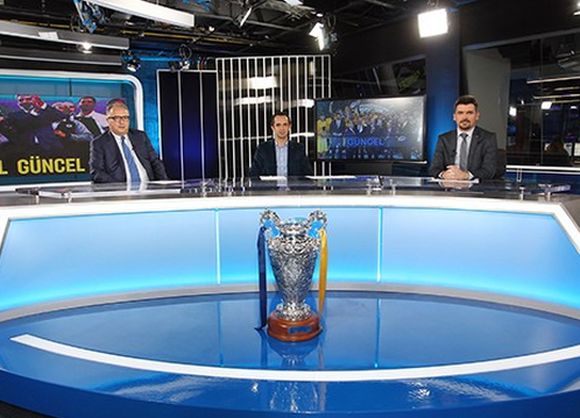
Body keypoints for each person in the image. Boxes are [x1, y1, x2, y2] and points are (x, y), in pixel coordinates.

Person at [90, 100, 168, 183]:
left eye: (125, 117)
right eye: (117, 118)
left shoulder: (140, 137)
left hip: (148, 186)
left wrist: (164, 184)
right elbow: (96, 172)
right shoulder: (99, 143)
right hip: (120, 188)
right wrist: (119, 187)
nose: (122, 122)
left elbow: (155, 162)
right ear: (108, 120)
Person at [429, 95, 497, 180]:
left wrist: (466, 175)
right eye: (460, 113)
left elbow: (489, 171)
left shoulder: (488, 138)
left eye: (469, 113)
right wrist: (443, 174)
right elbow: (434, 169)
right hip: (449, 185)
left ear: (477, 116)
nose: (464, 117)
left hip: (476, 187)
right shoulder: (444, 139)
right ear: (454, 117)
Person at [249, 111, 313, 177]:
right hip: (270, 184)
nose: (282, 128)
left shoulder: (299, 148)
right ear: (273, 128)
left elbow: (308, 174)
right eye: (278, 125)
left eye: (285, 124)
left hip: (293, 184)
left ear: (289, 126)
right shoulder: (263, 149)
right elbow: (253, 174)